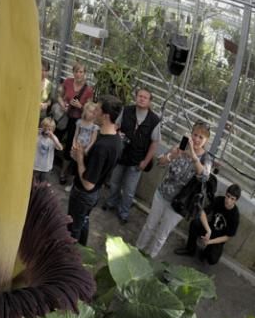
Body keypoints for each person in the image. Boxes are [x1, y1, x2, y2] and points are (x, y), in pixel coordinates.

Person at [136, 121, 213, 258]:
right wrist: (173, 155)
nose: (196, 139)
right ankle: (137, 250)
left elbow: (204, 177)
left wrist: (193, 156)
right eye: (195, 134)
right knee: (149, 225)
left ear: (206, 140)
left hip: (179, 204)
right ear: (191, 134)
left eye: (201, 137)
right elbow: (160, 162)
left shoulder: (206, 158)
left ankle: (149, 257)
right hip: (162, 193)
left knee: (162, 234)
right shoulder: (180, 147)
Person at [68, 95, 123, 245]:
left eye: (97, 110)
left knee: (73, 228)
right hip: (94, 194)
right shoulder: (115, 139)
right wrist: (83, 156)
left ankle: (69, 259)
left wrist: (79, 159)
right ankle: (83, 248)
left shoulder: (102, 147)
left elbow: (88, 184)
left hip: (83, 194)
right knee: (84, 221)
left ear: (105, 116)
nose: (94, 112)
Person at [105, 89, 161, 224]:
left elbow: (154, 143)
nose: (142, 99)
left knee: (129, 190)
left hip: (137, 160)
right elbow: (116, 126)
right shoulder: (127, 110)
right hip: (121, 154)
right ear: (136, 97)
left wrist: (145, 161)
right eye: (140, 96)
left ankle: (123, 212)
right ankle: (111, 202)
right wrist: (117, 134)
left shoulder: (154, 120)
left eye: (145, 97)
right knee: (114, 182)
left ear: (149, 101)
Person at [175, 184, 241, 265]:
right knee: (195, 223)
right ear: (226, 194)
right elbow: (203, 213)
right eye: (228, 196)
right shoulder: (219, 200)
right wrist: (208, 230)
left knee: (212, 260)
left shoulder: (235, 215)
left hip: (218, 237)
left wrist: (209, 242)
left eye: (232, 199)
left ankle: (205, 253)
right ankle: (190, 250)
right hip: (210, 228)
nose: (228, 200)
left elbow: (227, 237)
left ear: (236, 200)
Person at [58, 62, 94, 185]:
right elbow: (59, 96)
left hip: (77, 122)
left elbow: (90, 110)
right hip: (64, 116)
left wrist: (80, 106)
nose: (78, 74)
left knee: (70, 146)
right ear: (73, 72)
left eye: (81, 72)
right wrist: (62, 104)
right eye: (76, 71)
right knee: (56, 137)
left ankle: (64, 173)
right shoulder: (67, 82)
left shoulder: (88, 90)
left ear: (85, 74)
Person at [33, 117, 63, 184]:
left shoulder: (53, 139)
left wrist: (53, 138)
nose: (47, 130)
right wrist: (38, 131)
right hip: (35, 166)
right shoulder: (38, 135)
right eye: (45, 127)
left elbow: (60, 148)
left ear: (53, 129)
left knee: (43, 184)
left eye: (50, 128)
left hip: (46, 167)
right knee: (33, 183)